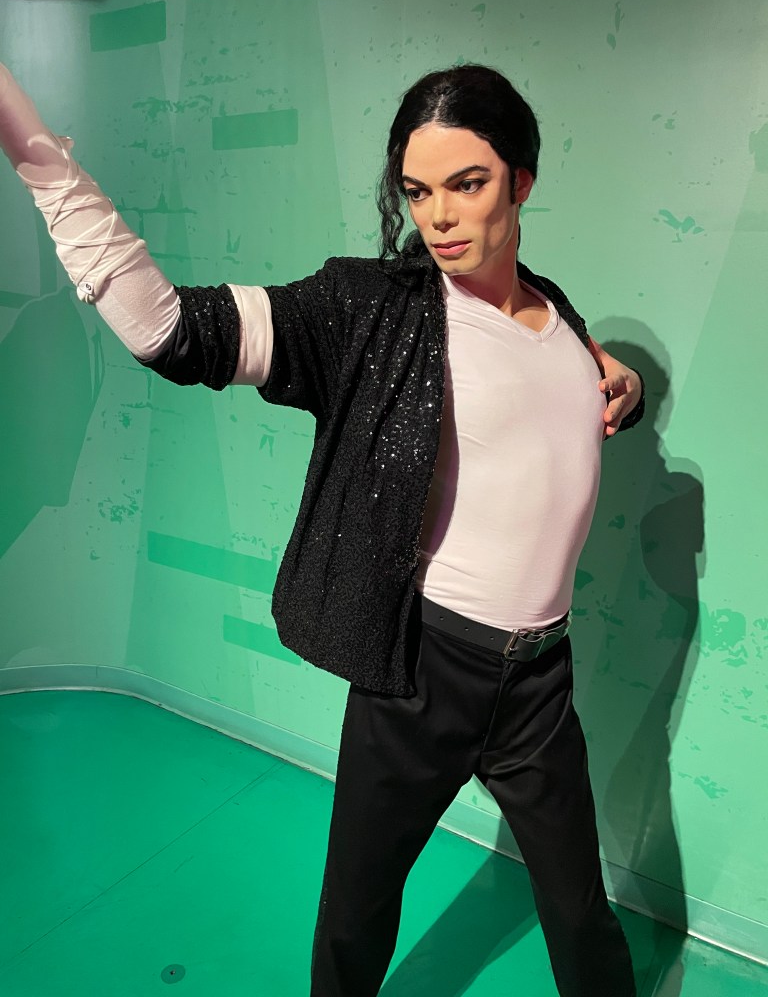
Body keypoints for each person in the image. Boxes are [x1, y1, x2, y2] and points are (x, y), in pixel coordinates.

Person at [1, 60, 643, 996]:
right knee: (355, 917)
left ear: (522, 181)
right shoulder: (370, 310)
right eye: (418, 191)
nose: (439, 217)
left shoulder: (557, 310)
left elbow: (555, 380)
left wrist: (621, 378)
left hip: (541, 677)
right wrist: (35, 154)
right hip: (423, 669)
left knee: (582, 913)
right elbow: (168, 330)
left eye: (467, 184)